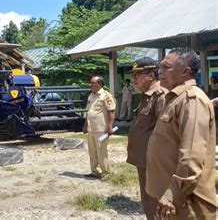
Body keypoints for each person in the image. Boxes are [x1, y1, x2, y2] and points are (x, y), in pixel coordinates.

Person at [146, 48, 216, 219]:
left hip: (186, 202)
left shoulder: (192, 100)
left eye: (166, 67)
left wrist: (173, 193)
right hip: (170, 199)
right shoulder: (176, 98)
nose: (159, 72)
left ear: (185, 71)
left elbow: (192, 155)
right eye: (159, 67)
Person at [126, 57, 167, 219]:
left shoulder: (160, 96)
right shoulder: (146, 96)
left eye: (137, 74)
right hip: (145, 161)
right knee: (148, 201)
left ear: (151, 75)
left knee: (157, 202)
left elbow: (165, 132)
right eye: (133, 75)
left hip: (155, 163)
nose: (134, 78)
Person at [82, 75, 116, 178]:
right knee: (92, 151)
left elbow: (112, 111)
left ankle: (106, 173)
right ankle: (94, 171)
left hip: (101, 128)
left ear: (100, 84)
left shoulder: (106, 95)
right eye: (91, 83)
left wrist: (110, 127)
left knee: (101, 151)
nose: (91, 85)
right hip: (91, 128)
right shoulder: (91, 95)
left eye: (93, 83)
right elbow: (88, 112)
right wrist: (85, 126)